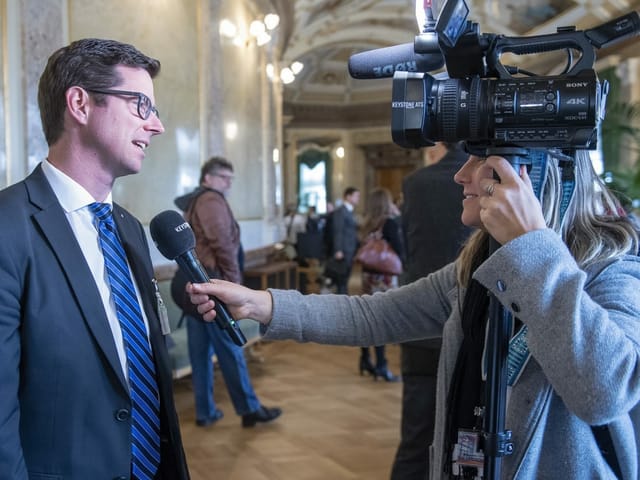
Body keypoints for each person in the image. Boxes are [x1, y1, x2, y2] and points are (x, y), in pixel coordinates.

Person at [187, 147, 640, 479]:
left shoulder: (614, 268)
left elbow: (603, 392)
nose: (460, 175)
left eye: (478, 158)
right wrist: (259, 302)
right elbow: (375, 316)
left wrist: (531, 247)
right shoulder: (478, 265)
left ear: (530, 173)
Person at [0, 39, 189, 479]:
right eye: (141, 104)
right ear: (80, 104)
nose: (156, 125)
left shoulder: (129, 227)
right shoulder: (7, 228)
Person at [173, 156, 282, 428]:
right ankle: (249, 409)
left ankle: (205, 411)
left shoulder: (197, 200)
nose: (229, 184)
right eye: (224, 178)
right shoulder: (210, 200)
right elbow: (223, 244)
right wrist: (235, 286)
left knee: (200, 354)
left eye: (231, 179)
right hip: (214, 287)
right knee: (231, 348)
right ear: (207, 178)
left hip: (195, 286)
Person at [391, 142, 473, 480]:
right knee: (470, 438)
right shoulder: (494, 181)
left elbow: (407, 247)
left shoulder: (416, 183)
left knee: (416, 434)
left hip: (418, 321)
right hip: (472, 319)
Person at [358, 187, 405, 382]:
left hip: (368, 277)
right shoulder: (389, 224)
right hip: (385, 278)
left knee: (367, 318)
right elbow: (401, 250)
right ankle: (381, 366)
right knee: (382, 321)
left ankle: (365, 359)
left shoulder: (368, 223)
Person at [328, 186, 361, 294]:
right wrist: (338, 250)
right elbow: (338, 231)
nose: (358, 198)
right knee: (341, 279)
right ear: (348, 196)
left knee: (346, 277)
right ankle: (342, 302)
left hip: (350, 249)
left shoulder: (349, 211)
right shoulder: (341, 211)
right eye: (356, 196)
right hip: (344, 250)